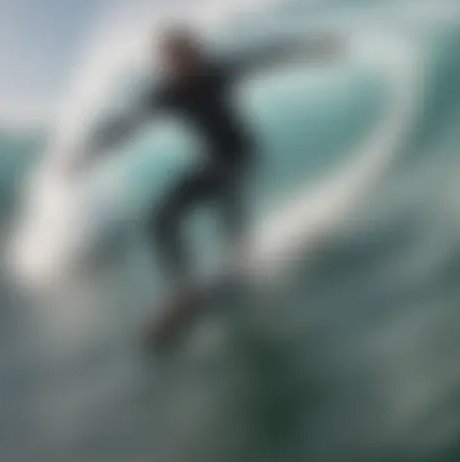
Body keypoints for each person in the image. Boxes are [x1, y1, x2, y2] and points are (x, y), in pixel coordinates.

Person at [65, 21, 344, 303]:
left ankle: (243, 254)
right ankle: (184, 290)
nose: (181, 64)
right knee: (160, 219)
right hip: (211, 160)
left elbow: (267, 57)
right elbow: (125, 125)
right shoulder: (166, 94)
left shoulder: (218, 71)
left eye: (186, 54)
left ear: (195, 52)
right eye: (171, 59)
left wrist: (314, 47)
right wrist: (87, 155)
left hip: (241, 151)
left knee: (225, 187)